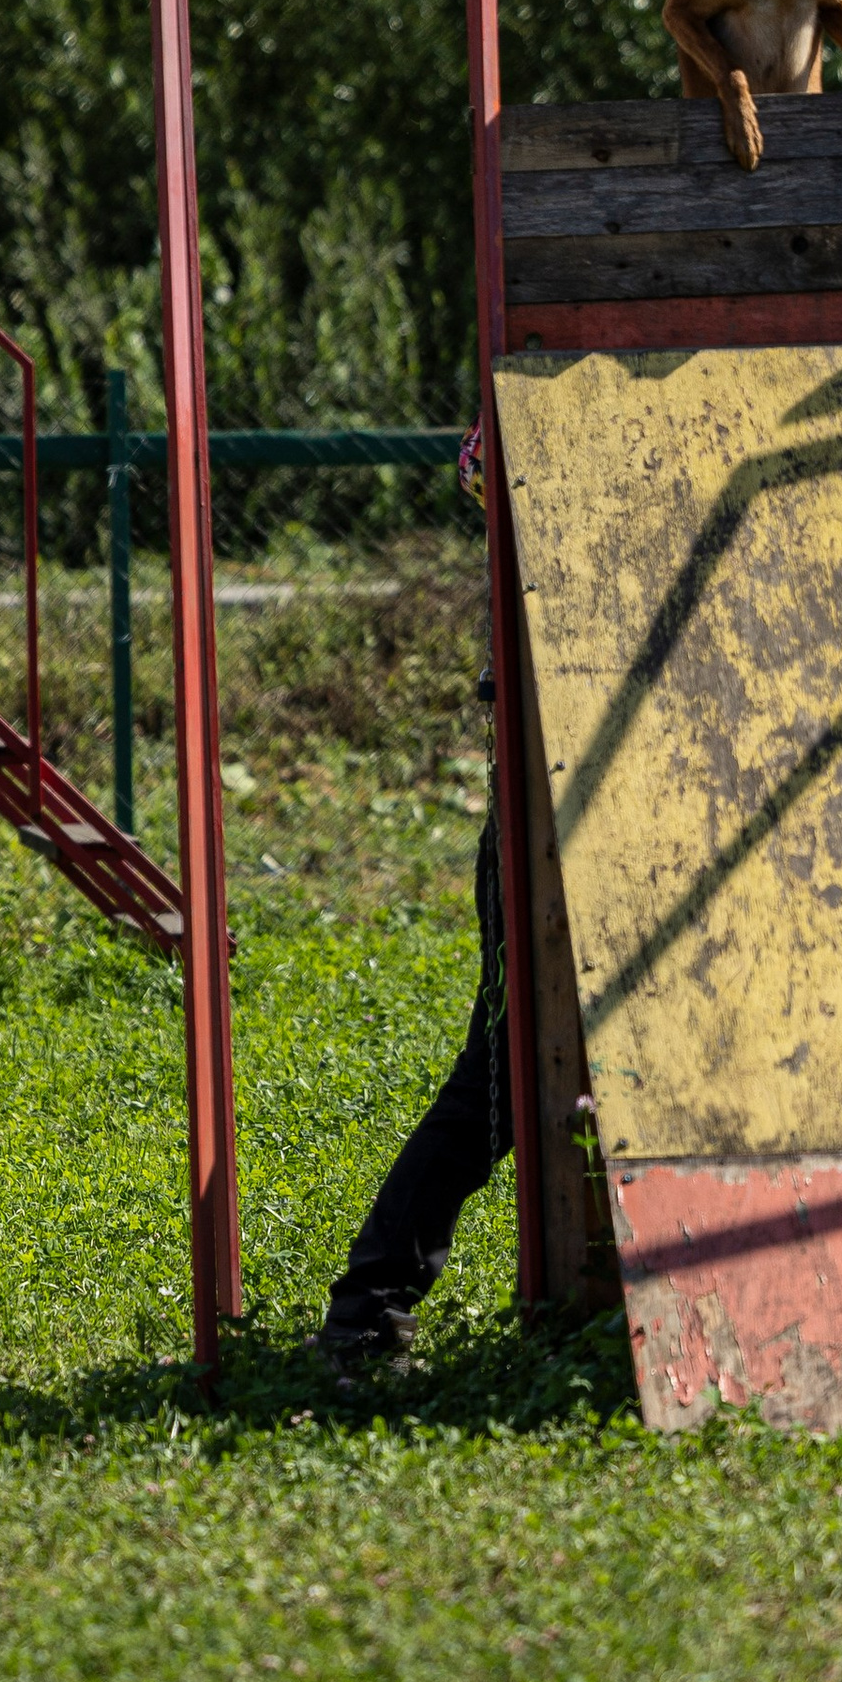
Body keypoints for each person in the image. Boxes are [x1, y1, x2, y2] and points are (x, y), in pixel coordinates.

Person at [311, 421, 512, 1367]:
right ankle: (367, 1313)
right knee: (498, 1089)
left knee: (502, 1089)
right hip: (533, 843)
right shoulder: (509, 484)